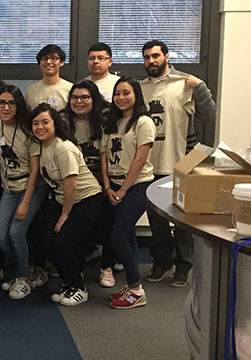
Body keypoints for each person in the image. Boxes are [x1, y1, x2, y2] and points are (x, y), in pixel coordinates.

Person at [139, 40, 216, 287]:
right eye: (147, 57)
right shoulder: (141, 88)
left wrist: (201, 88)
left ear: (167, 57)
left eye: (156, 56)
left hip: (181, 161)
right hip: (151, 162)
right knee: (156, 217)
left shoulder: (185, 84)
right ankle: (161, 261)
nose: (151, 61)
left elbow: (209, 115)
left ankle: (183, 267)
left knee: (182, 219)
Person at [31, 104, 103, 307]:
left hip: (86, 199)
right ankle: (69, 283)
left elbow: (71, 185)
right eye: (35, 123)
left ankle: (79, 287)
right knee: (51, 244)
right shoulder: (42, 146)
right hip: (64, 201)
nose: (40, 127)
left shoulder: (63, 148)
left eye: (45, 122)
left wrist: (65, 215)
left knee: (62, 244)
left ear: (55, 124)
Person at [101, 77, 156, 309]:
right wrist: (107, 186)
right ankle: (134, 286)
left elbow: (140, 160)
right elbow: (104, 155)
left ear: (136, 96)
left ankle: (136, 290)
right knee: (129, 236)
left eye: (127, 93)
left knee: (118, 237)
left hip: (137, 186)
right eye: (118, 94)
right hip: (113, 185)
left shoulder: (143, 122)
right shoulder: (111, 121)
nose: (121, 98)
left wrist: (123, 190)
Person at [0, 85, 46, 299]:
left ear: (18, 105)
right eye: (1, 103)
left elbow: (34, 171)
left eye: (11, 103)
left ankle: (22, 277)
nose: (5, 107)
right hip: (8, 188)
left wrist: (26, 202)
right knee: (0, 238)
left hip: (31, 188)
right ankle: (23, 268)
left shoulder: (29, 130)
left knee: (15, 233)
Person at [62, 80, 118, 288]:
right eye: (75, 98)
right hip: (77, 180)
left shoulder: (106, 118)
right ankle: (78, 267)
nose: (79, 102)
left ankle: (107, 267)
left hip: (104, 177)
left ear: (94, 99)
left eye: (85, 97)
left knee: (110, 221)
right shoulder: (63, 120)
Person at [26, 44, 73, 111]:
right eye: (44, 59)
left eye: (53, 58)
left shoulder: (70, 89)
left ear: (62, 62)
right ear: (39, 63)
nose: (48, 62)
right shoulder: (31, 90)